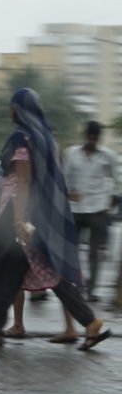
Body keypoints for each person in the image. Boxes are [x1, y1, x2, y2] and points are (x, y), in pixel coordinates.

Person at [0, 88, 111, 350]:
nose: (10, 111)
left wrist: (18, 220)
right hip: (42, 213)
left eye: (12, 106)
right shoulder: (46, 137)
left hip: (19, 211)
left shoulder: (22, 137)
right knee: (46, 268)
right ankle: (89, 322)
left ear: (19, 109)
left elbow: (23, 180)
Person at [62, 120, 119, 301]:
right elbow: (64, 178)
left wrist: (112, 197)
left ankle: (92, 289)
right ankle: (77, 284)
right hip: (76, 208)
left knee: (96, 252)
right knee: (72, 250)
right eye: (90, 137)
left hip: (99, 208)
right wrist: (69, 193)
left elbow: (117, 179)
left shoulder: (108, 156)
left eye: (96, 138)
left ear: (99, 138)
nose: (92, 141)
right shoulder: (71, 154)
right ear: (85, 136)